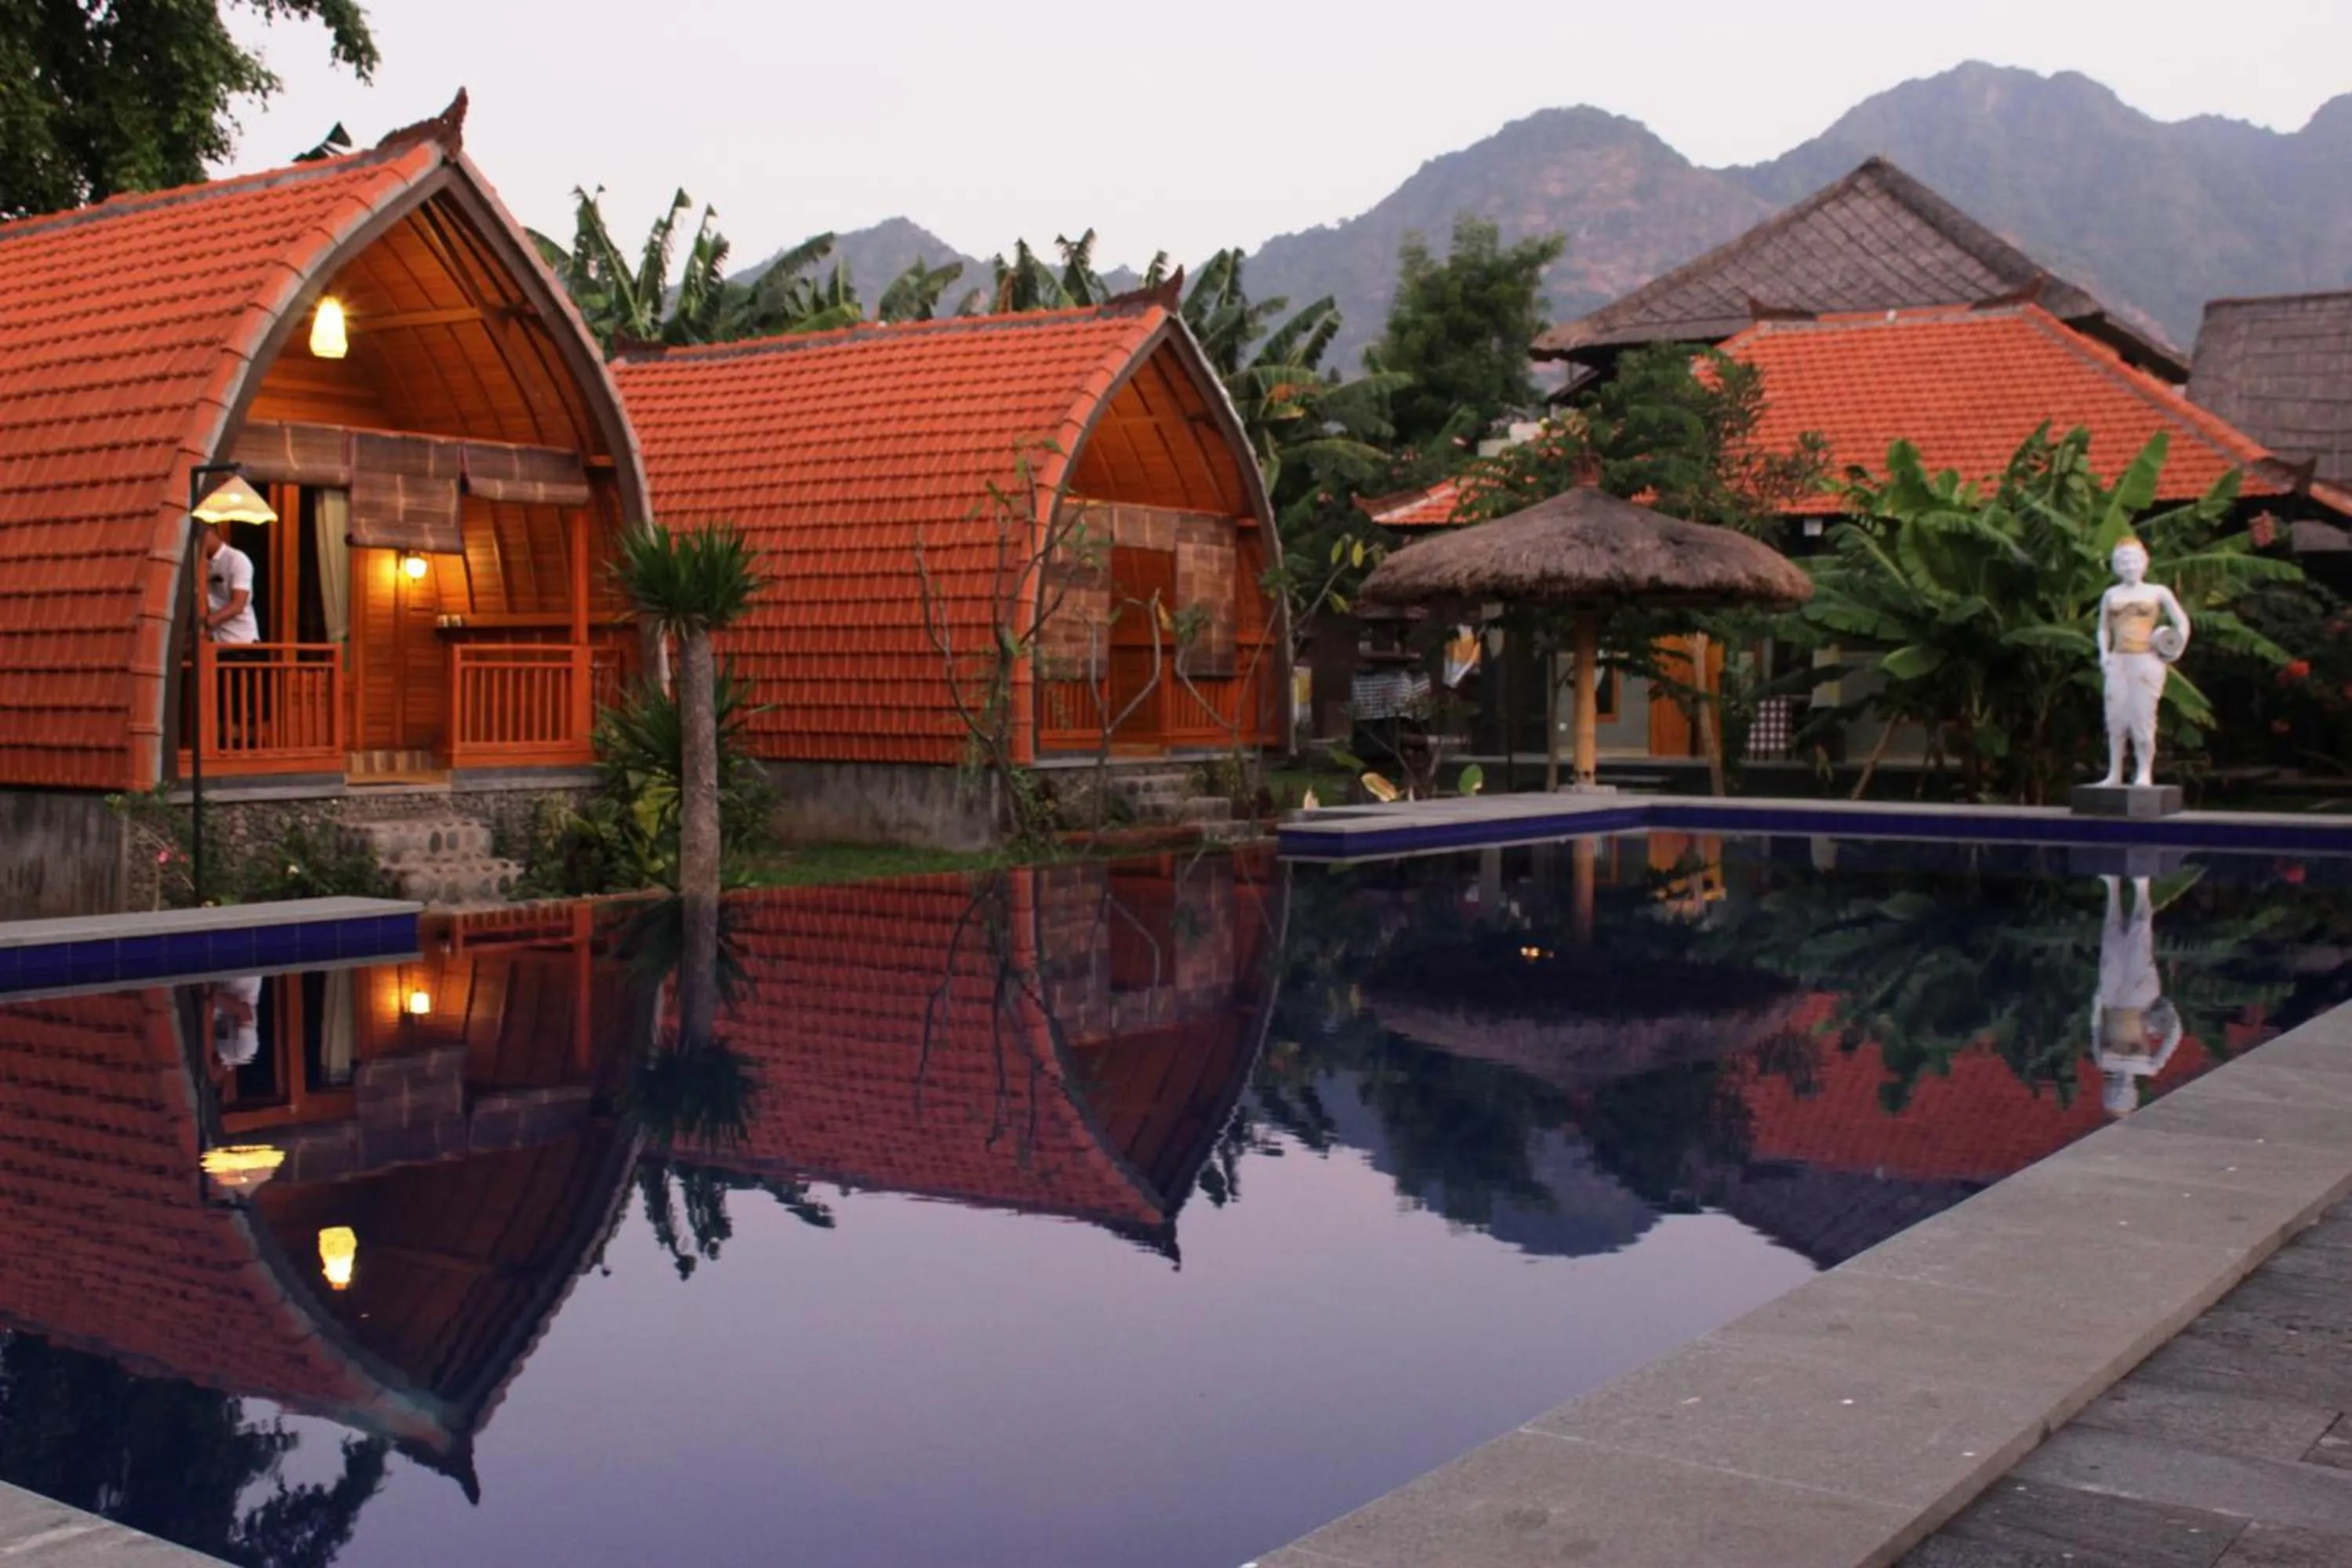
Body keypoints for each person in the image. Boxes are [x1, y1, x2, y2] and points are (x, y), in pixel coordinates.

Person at [2094, 537, 2190, 789]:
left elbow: (2182, 622)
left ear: (2144, 562)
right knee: (2115, 718)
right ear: (2116, 565)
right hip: (2118, 660)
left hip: (2146, 660)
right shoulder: (2110, 595)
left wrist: (2175, 649)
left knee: (2143, 718)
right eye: (2124, 561)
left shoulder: (2157, 592)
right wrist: (2104, 653)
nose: (2129, 565)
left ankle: (2144, 772)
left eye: (2134, 560)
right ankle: (2114, 773)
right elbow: (2103, 628)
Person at [2090, 874, 2182, 1118]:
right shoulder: (2149, 1066)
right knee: (2139, 939)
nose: (2119, 1089)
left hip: (2111, 1000)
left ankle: (2113, 888)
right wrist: (2169, 1013)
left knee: (2112, 941)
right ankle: (2142, 889)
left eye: (2113, 1094)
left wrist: (2097, 1004)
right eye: (2122, 1095)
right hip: (2140, 1003)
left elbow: (2096, 1028)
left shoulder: (2102, 1061)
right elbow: (2174, 1036)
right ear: (2132, 1094)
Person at [199, 521, 261, 746]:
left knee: (239, 704)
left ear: (213, 533)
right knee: (219, 703)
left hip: (241, 643)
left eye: (200, 535)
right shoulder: (199, 565)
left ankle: (242, 750)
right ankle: (219, 746)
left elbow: (238, 604)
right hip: (217, 644)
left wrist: (207, 623)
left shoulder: (237, 560)